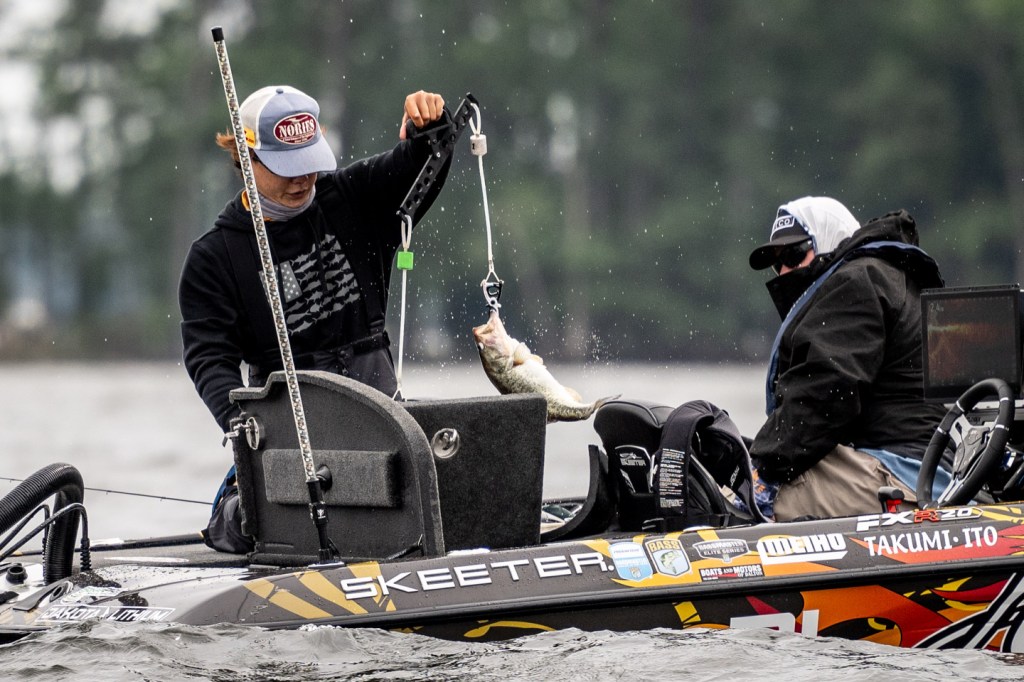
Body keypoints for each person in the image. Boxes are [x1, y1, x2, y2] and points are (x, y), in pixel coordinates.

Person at [178, 86, 452, 551]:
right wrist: (246, 430)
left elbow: (418, 163)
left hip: (381, 414)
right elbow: (209, 359)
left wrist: (429, 126)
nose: (302, 179)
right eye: (286, 168)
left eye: (308, 163)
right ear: (246, 159)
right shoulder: (214, 258)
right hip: (288, 432)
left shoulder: (354, 198)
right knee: (246, 526)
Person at [746, 196, 951, 521]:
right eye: (777, 263)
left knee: (741, 496)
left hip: (903, 473)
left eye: (794, 254)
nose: (784, 270)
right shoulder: (884, 275)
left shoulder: (857, 280)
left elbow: (825, 395)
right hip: (918, 465)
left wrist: (760, 469)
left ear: (830, 242)